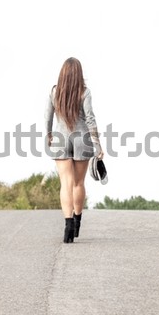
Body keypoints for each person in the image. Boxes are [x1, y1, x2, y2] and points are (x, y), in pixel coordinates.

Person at [44, 57, 104, 243]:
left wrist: (48, 134)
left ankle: (68, 224)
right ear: (79, 74)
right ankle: (77, 221)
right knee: (78, 184)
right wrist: (98, 146)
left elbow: (48, 116)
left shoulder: (55, 92)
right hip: (81, 139)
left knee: (65, 184)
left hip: (61, 138)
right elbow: (90, 119)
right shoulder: (84, 92)